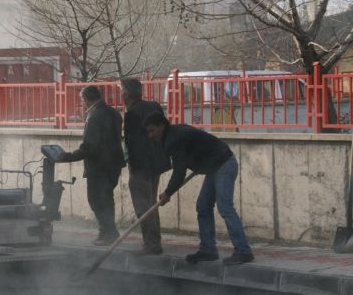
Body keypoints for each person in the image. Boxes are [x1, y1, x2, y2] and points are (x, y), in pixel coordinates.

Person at [143, 111, 254, 265]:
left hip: (223, 164)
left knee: (225, 207)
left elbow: (179, 171)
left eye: (152, 130)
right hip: (213, 166)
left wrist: (168, 193)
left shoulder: (173, 139)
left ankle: (243, 251)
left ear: (162, 126)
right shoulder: (173, 134)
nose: (150, 135)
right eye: (148, 131)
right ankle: (208, 250)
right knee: (203, 206)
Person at [58, 86, 125, 245]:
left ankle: (108, 233)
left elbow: (90, 146)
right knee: (107, 198)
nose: (83, 104)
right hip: (114, 163)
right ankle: (108, 232)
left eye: (83, 101)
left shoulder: (94, 116)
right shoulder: (114, 113)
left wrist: (68, 157)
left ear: (86, 99)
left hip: (99, 166)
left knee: (96, 199)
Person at [121, 78, 169, 255]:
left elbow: (132, 144)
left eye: (121, 91)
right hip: (156, 164)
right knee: (151, 204)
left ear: (126, 94)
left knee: (143, 205)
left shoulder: (132, 113)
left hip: (141, 166)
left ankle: (151, 243)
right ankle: (154, 241)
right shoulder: (154, 105)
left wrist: (132, 168)